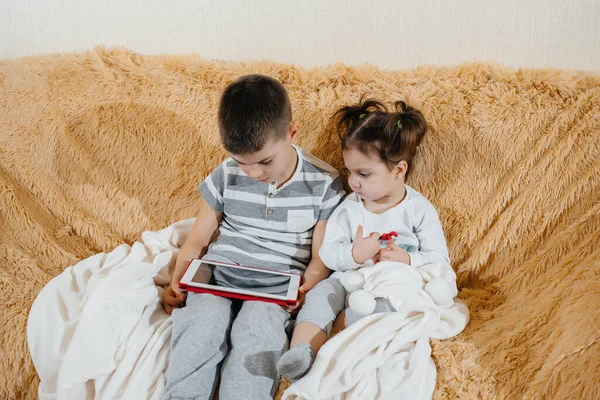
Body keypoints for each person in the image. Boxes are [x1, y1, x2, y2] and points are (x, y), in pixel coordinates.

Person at [161, 74, 344, 399]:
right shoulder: (226, 174)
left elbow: (320, 257)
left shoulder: (323, 183)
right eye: (243, 163)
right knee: (202, 324)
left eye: (264, 162)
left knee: (257, 333)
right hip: (218, 277)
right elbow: (197, 240)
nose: (254, 174)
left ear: (291, 133)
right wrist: (178, 280)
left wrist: (307, 285)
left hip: (273, 290)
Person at [277, 97, 450, 382]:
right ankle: (301, 350)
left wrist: (407, 259)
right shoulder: (349, 207)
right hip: (349, 280)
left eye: (363, 173)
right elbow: (328, 253)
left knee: (392, 306)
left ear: (398, 170)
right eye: (349, 172)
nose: (353, 181)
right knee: (322, 295)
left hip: (393, 285)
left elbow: (438, 258)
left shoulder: (418, 209)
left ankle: (337, 334)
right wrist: (354, 254)